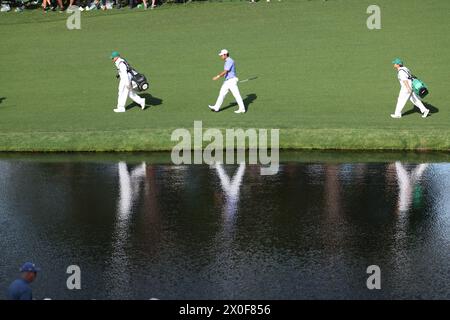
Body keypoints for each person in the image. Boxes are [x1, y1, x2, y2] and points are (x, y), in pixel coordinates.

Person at [208, 49, 246, 114]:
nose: (221, 56)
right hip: (227, 81)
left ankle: (242, 109)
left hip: (231, 81)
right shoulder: (227, 61)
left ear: (225, 54)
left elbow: (226, 71)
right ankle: (216, 107)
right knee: (221, 94)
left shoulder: (229, 61)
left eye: (222, 55)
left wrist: (217, 77)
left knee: (236, 95)